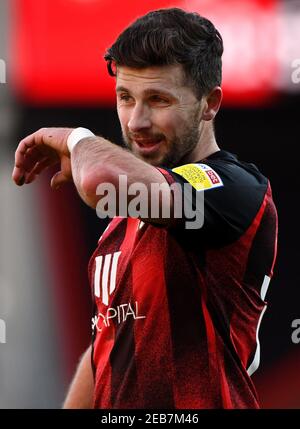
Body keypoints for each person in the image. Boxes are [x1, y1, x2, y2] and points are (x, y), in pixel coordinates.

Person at [12, 8, 278, 409]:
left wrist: (78, 139)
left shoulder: (232, 189)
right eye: (125, 97)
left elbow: (98, 179)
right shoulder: (122, 222)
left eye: (157, 99)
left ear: (209, 104)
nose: (137, 120)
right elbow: (108, 336)